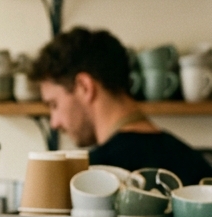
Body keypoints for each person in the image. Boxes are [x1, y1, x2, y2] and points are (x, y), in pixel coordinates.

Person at [31, 28, 212, 183]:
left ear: (84, 87)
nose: (54, 123)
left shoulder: (91, 179)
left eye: (54, 105)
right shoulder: (195, 165)